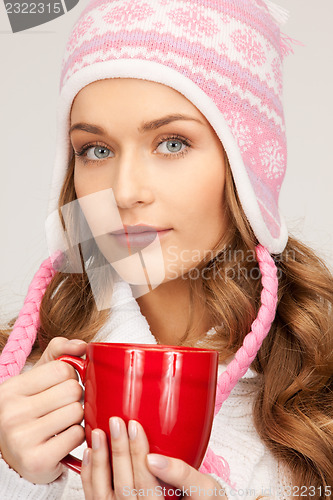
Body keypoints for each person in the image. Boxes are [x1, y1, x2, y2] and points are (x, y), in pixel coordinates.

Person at [0, 0, 332, 499]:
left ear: (245, 168)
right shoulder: (20, 384)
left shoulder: (318, 386)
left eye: (172, 142)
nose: (125, 190)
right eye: (96, 150)